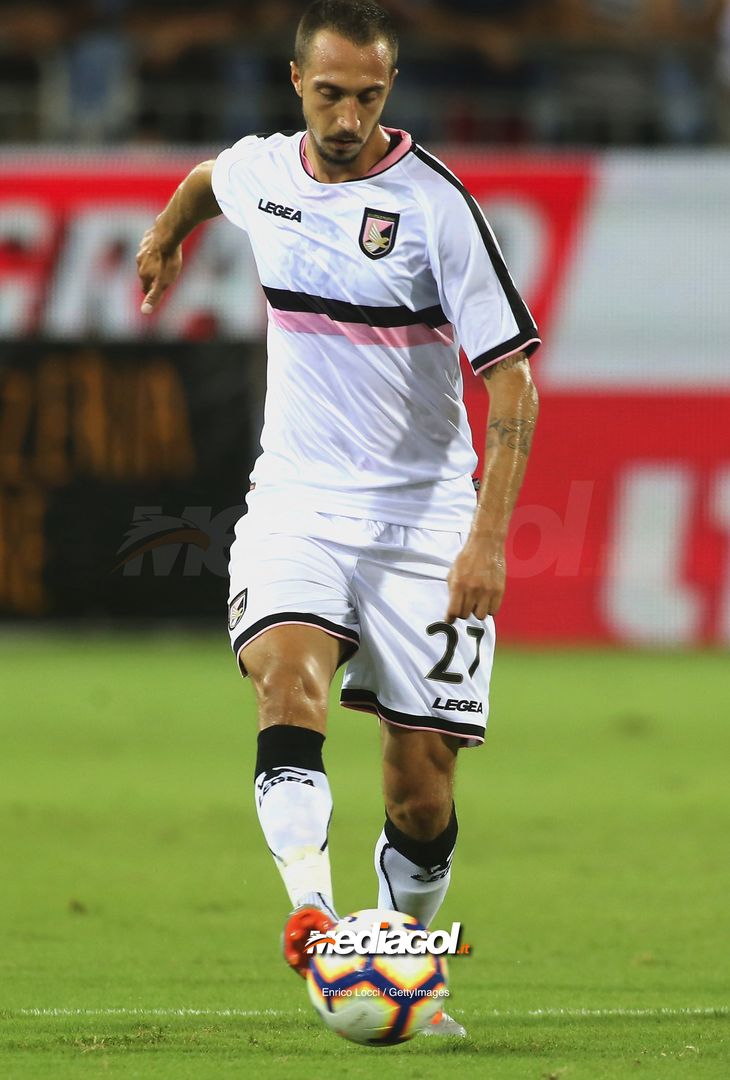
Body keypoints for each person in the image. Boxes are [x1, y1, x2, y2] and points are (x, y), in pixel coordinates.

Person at [136, 0, 540, 1037]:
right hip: (298, 506)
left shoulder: (438, 207)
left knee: (421, 792)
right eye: (329, 93)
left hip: (424, 521)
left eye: (367, 94)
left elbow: (513, 388)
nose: (348, 114)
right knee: (285, 675)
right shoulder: (263, 173)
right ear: (295, 84)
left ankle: (398, 956)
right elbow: (199, 187)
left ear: (387, 91)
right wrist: (163, 240)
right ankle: (315, 922)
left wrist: (486, 539)